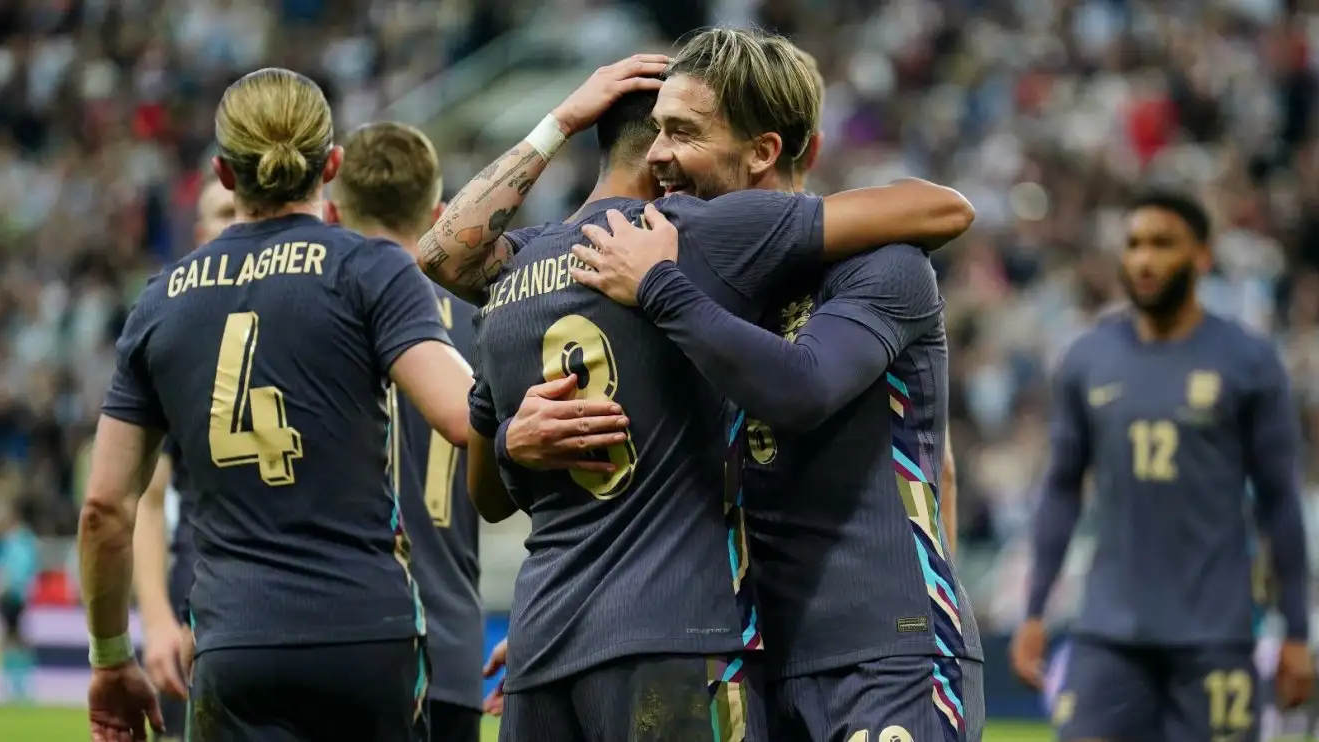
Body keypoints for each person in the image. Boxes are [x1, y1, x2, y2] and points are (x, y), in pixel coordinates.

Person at [422, 39, 974, 742]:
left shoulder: (877, 265)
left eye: (682, 133)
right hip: (755, 647)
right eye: (655, 131)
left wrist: (659, 286)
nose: (658, 154)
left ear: (763, 151)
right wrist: (577, 644)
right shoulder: (686, 279)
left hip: (879, 649)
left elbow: (815, 391)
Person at [78, 67, 476, 742]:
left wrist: (112, 658)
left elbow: (103, 510)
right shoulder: (370, 268)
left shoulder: (160, 301)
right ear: (332, 165)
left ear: (223, 173)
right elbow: (464, 415)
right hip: (365, 633)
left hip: (235, 641)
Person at [1009, 191, 1314, 742]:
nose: (1144, 259)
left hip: (1214, 636)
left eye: (1162, 243)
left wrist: (1296, 629)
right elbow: (1061, 488)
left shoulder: (1248, 361)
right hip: (1108, 633)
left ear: (1202, 256)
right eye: (1134, 244)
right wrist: (1035, 609)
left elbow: (1280, 502)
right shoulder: (1087, 358)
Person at [325, 121, 487, 742]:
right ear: (440, 216)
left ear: (332, 214)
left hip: (345, 639)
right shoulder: (484, 318)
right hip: (454, 650)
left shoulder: (321, 310)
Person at [132, 174, 237, 741]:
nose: (236, 223)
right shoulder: (175, 333)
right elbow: (145, 500)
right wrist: (155, 621)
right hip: (195, 592)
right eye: (223, 213)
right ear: (199, 234)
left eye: (242, 210)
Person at [0, 498, 39, 703]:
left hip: (15, 595)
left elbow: (22, 569)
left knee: (15, 640)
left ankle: (20, 685)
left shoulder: (20, 540)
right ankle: (16, 684)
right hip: (11, 595)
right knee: (12, 639)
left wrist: (11, 582)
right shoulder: (12, 540)